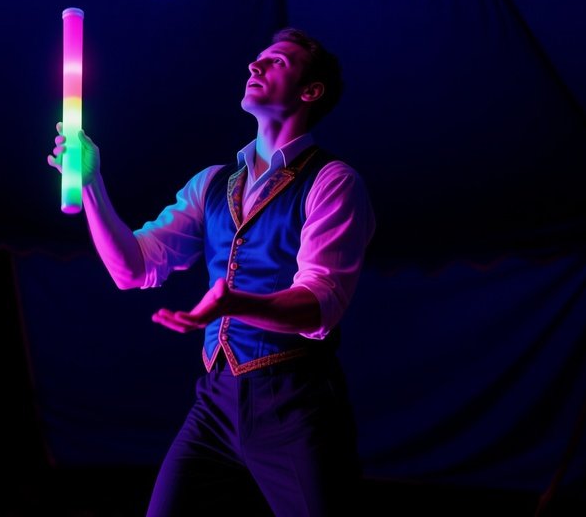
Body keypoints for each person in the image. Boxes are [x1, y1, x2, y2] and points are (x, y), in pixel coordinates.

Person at [48, 27, 375, 516]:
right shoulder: (212, 184)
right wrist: (91, 183)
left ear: (310, 91)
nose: (255, 66)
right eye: (257, 58)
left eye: (277, 62)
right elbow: (132, 269)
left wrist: (234, 304)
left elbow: (320, 304)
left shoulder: (333, 182)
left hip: (294, 402)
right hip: (216, 402)